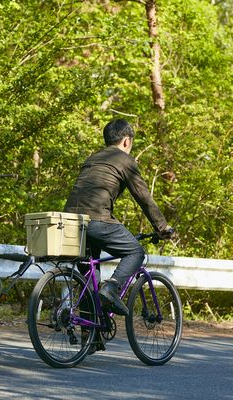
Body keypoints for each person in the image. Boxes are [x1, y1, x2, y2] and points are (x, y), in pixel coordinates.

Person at [64, 118, 173, 317]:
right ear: (126, 141)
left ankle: (91, 336)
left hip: (71, 222)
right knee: (135, 253)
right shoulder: (124, 160)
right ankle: (112, 287)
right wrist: (162, 227)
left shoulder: (93, 158)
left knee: (90, 277)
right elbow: (143, 197)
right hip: (96, 220)